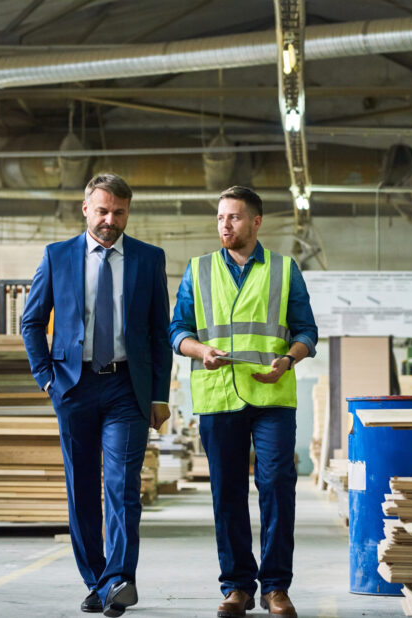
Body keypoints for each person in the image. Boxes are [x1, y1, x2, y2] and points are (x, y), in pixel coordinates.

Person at [22, 173, 172, 617]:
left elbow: (160, 334)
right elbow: (32, 322)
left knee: (123, 487)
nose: (110, 220)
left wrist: (159, 395)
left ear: (128, 212)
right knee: (81, 487)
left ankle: (120, 580)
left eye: (119, 212)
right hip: (74, 386)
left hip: (128, 388)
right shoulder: (57, 256)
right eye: (103, 211)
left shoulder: (148, 259)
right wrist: (47, 379)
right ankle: (96, 580)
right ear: (85, 208)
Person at [169, 186, 317, 618]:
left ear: (256, 222)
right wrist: (201, 351)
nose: (224, 226)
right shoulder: (197, 271)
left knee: (275, 485)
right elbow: (177, 330)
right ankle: (237, 586)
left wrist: (288, 360)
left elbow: (307, 332)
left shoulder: (285, 269)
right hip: (218, 395)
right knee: (227, 493)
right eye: (220, 218)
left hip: (272, 392)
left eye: (233, 218)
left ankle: (275, 587)